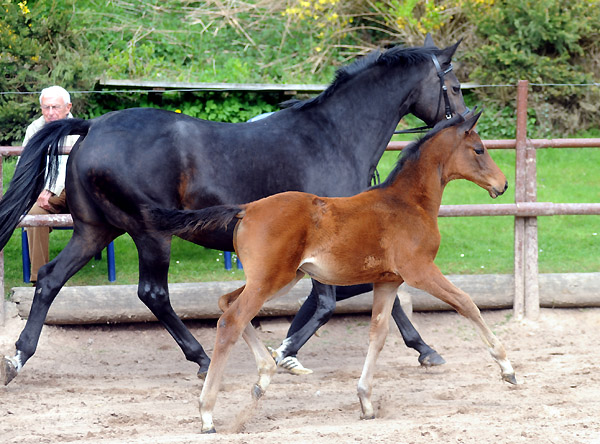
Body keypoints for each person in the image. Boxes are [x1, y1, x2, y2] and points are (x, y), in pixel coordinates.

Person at [21, 85, 78, 283]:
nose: (50, 113)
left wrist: (50, 189)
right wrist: (37, 191)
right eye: (46, 108)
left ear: (68, 107)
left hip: (75, 192)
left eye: (55, 107)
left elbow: (69, 167)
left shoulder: (79, 129)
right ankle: (40, 277)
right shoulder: (35, 129)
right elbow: (24, 165)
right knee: (35, 214)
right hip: (44, 194)